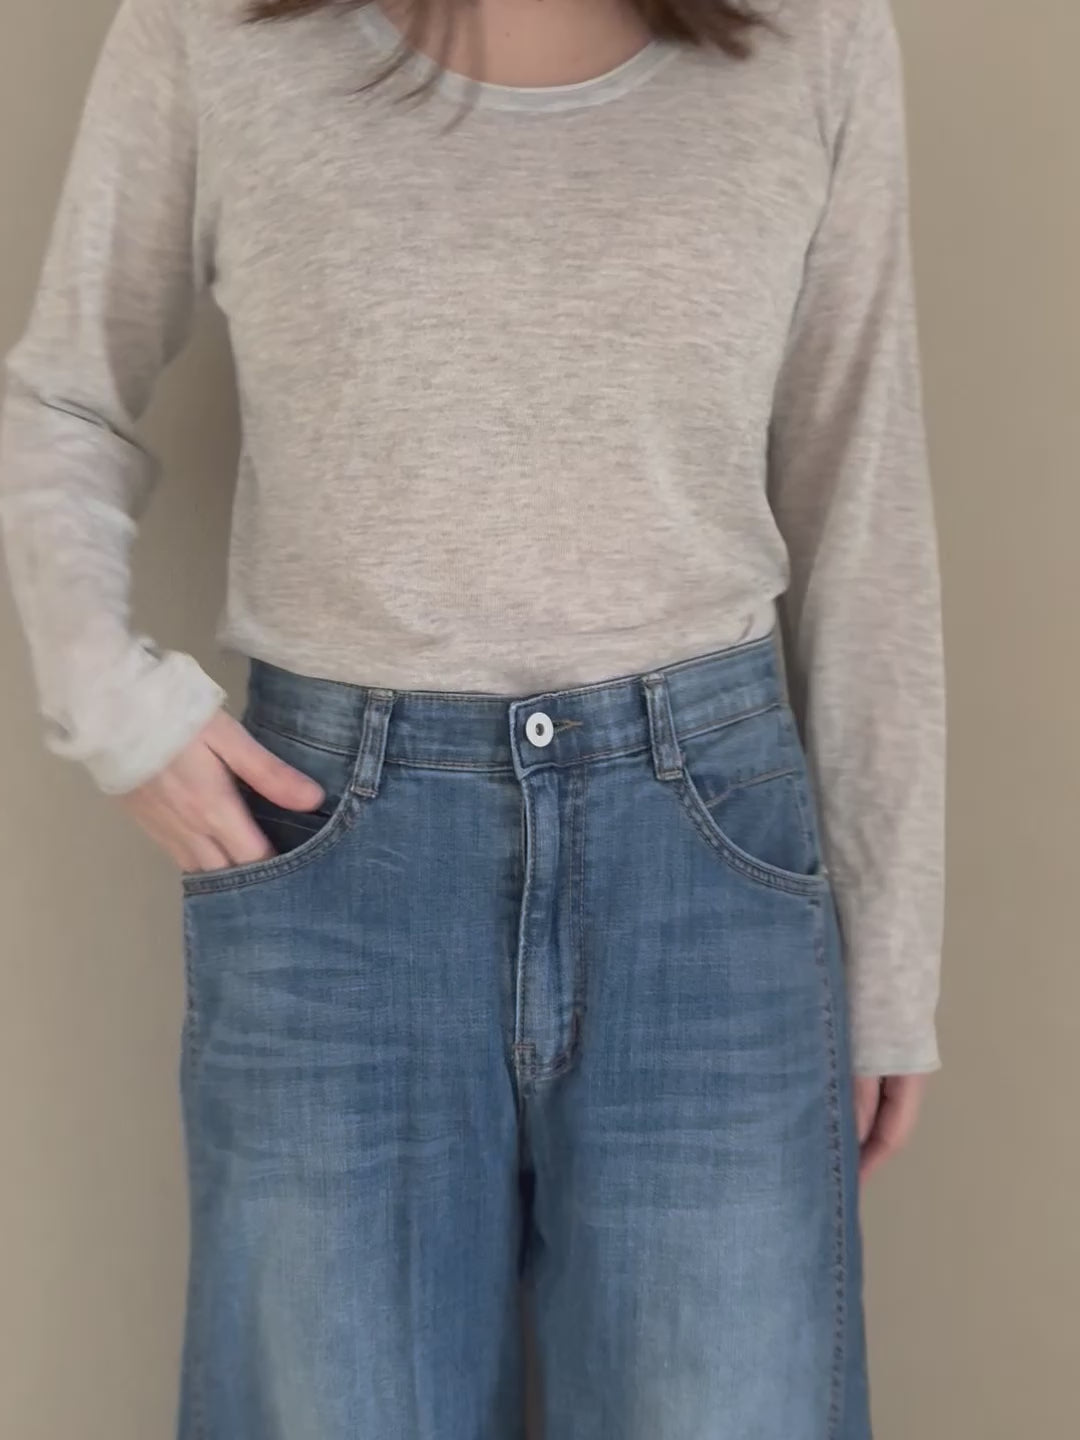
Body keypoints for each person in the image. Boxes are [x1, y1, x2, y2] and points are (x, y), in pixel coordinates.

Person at [0, 0, 946, 1435]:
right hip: (334, 866)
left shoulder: (814, 32)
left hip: (710, 875)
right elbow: (64, 394)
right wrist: (110, 709)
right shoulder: (212, 26)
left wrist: (891, 962)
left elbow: (860, 495)